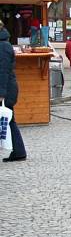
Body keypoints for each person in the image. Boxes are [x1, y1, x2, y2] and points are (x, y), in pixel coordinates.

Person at [0, 23, 26, 162]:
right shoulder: (4, 44)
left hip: (6, 89)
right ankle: (19, 151)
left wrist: (1, 93)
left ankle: (19, 151)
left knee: (9, 120)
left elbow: (2, 71)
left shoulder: (3, 46)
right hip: (8, 88)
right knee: (10, 120)